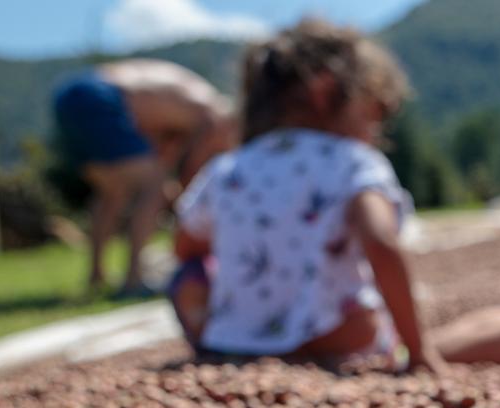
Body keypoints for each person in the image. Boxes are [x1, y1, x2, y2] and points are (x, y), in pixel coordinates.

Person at [170, 20, 443, 372]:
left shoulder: (227, 170)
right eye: (374, 115)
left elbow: (185, 249)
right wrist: (419, 351)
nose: (374, 132)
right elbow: (381, 243)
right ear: (325, 91)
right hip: (341, 337)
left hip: (236, 345)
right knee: (462, 332)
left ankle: (228, 336)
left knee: (188, 276)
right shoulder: (352, 162)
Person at [52, 60, 235, 296]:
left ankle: (97, 276)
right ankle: (134, 279)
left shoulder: (183, 109)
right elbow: (194, 178)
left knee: (113, 193)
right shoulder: (213, 114)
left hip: (72, 95)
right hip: (103, 98)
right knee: (155, 187)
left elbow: (161, 155)